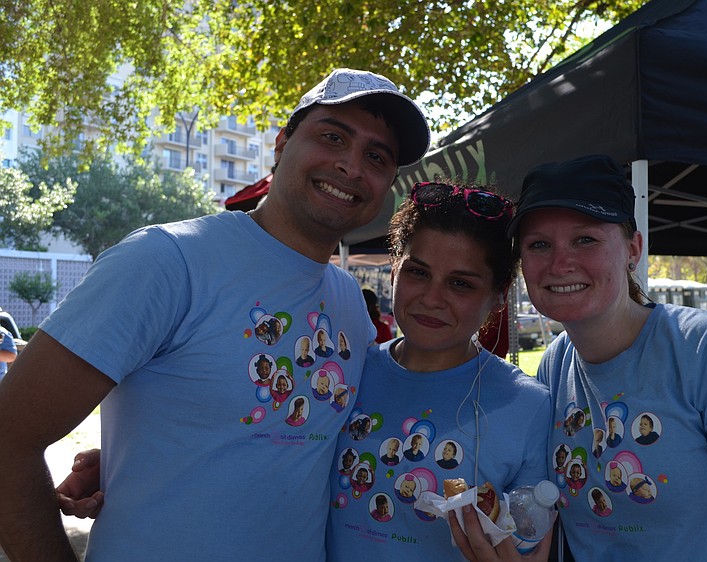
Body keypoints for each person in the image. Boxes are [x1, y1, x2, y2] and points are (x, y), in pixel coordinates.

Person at [0, 67, 430, 561]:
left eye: (377, 157)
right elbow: (9, 438)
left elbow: (292, 446)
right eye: (333, 136)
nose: (352, 167)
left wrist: (135, 459)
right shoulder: (166, 261)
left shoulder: (350, 302)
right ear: (281, 143)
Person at [451, 154, 707, 561]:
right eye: (539, 245)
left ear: (633, 248)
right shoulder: (555, 366)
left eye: (585, 239)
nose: (560, 263)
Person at [325, 182, 551, 561]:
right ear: (394, 267)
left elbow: (528, 539)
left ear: (499, 294)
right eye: (418, 272)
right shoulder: (346, 371)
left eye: (460, 283)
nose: (431, 299)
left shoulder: (529, 406)